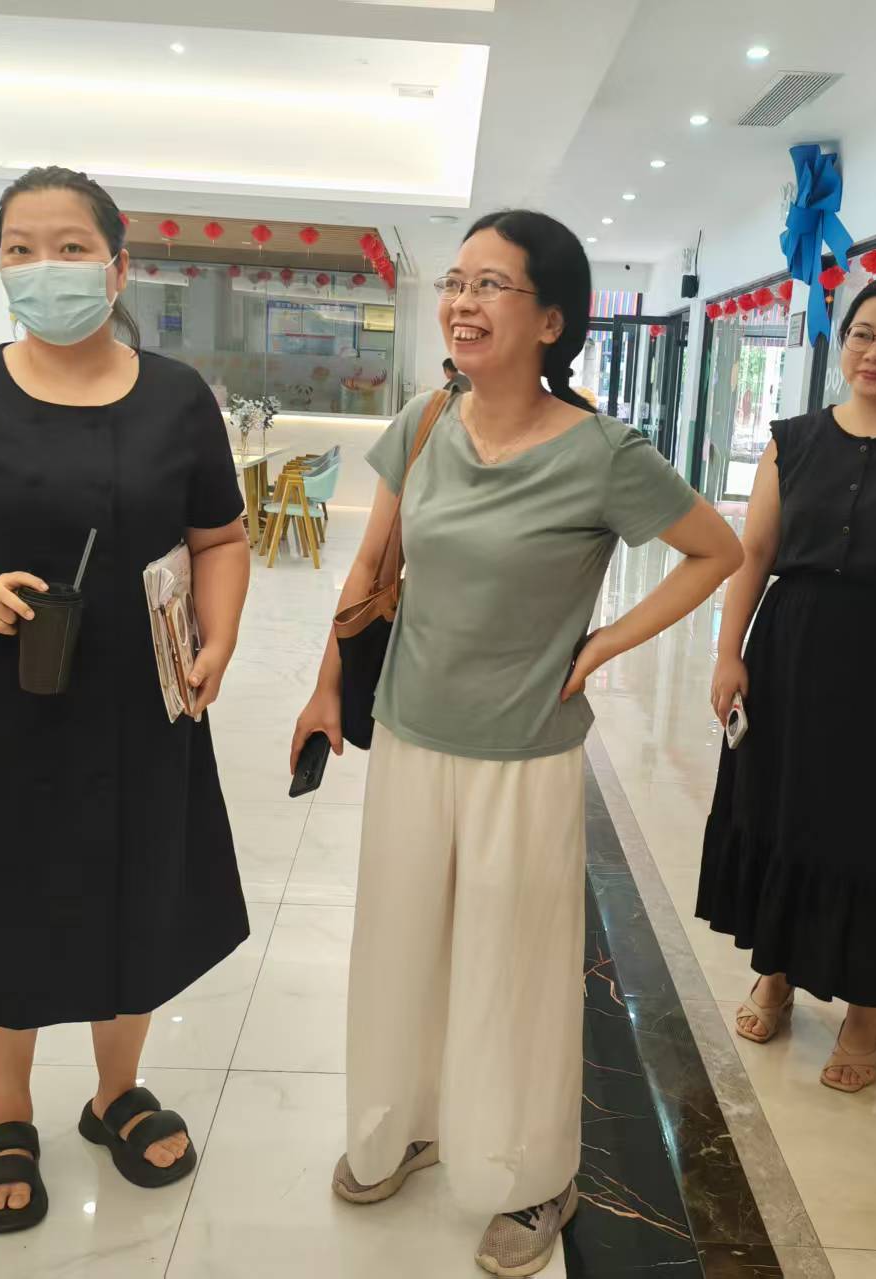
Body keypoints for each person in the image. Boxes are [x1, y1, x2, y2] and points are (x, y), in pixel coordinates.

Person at [291, 210, 742, 1276]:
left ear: (551, 319)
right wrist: (324, 687)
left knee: (513, 964)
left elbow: (714, 550)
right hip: (412, 731)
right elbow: (370, 572)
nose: (461, 301)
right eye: (456, 281)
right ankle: (403, 1122)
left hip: (526, 749)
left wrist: (603, 645)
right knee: (401, 941)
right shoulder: (423, 420)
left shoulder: (603, 453)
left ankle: (530, 1172)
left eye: (489, 284)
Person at [0, 166, 251, 1234]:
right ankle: (6, 1115)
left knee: (137, 889)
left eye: (71, 247)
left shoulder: (176, 396)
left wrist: (219, 636)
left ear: (118, 267)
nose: (46, 268)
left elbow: (219, 536)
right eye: (21, 249)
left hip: (141, 704)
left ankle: (116, 1090)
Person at [696, 273, 876, 1093]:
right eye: (863, 333)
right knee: (783, 808)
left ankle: (867, 1007)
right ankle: (776, 970)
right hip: (791, 647)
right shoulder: (793, 438)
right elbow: (755, 552)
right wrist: (728, 652)